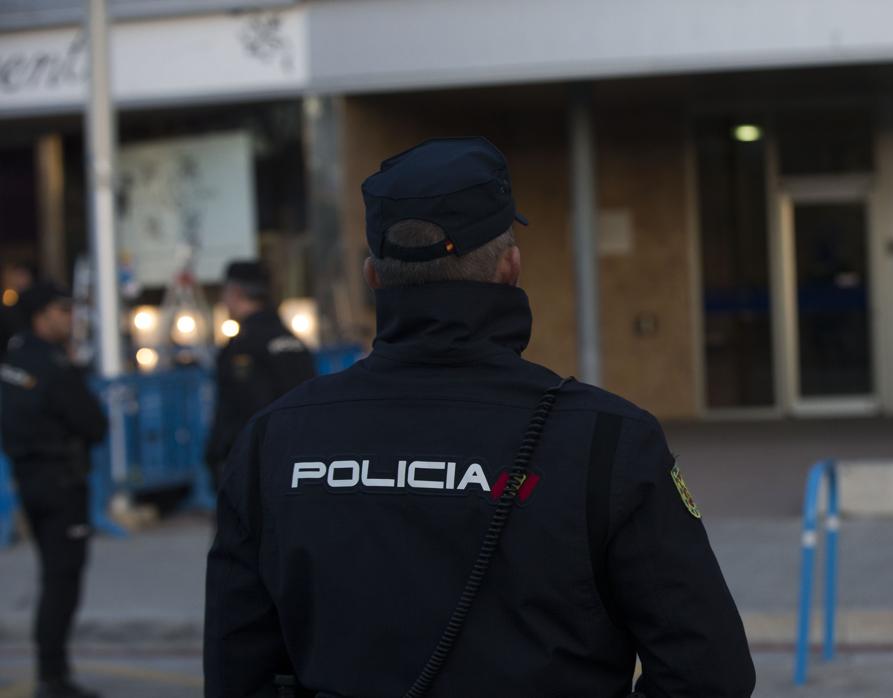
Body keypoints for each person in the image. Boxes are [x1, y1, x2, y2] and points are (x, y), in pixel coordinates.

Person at [204, 137, 755, 697]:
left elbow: (235, 668)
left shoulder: (273, 440)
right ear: (509, 267)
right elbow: (709, 671)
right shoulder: (609, 440)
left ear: (374, 277)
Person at [0, 283, 107, 698]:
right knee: (62, 580)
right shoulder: (52, 365)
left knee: (54, 577)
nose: (70, 319)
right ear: (41, 316)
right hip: (61, 483)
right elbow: (93, 424)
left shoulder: (13, 358)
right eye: (63, 311)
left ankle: (51, 671)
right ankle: (53, 675)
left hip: (31, 479)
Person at [203, 261, 315, 484]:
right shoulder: (295, 343)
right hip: (299, 462)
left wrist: (217, 457)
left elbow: (242, 411)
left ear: (235, 293)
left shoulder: (244, 347)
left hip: (254, 468)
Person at [0, 260, 37, 362]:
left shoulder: (35, 303)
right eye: (18, 275)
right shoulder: (6, 308)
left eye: (24, 275)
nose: (22, 280)